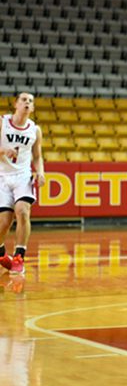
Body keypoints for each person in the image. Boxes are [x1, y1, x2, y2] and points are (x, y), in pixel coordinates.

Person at [0, 93, 45, 276]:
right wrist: (4, 150)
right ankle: (2, 253)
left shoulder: (35, 130)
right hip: (2, 176)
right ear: (16, 104)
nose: (27, 102)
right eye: (24, 100)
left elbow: (37, 155)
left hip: (23, 176)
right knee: (4, 222)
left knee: (23, 211)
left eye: (31, 101)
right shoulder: (3, 122)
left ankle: (19, 256)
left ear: (32, 108)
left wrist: (40, 172)